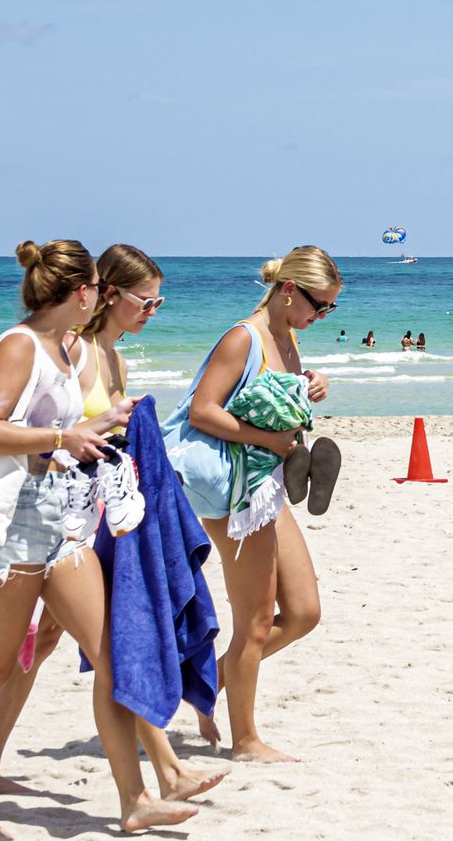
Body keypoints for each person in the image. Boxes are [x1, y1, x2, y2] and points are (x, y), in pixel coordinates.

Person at [0, 240, 197, 834]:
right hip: (12, 523)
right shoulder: (20, 345)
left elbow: (67, 425)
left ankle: (135, 800)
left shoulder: (70, 349)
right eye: (96, 290)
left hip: (64, 518)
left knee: (111, 653)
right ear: (85, 292)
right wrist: (65, 438)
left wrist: (105, 424)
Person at [165, 246, 340, 762]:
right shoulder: (243, 337)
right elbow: (201, 412)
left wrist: (312, 387)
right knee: (257, 621)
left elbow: (272, 402)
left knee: (304, 612)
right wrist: (275, 444)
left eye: (330, 308)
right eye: (318, 304)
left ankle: (205, 683)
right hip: (235, 491)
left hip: (266, 485)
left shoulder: (287, 338)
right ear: (289, 289)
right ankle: (244, 741)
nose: (321, 316)